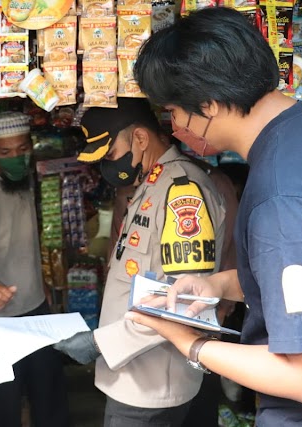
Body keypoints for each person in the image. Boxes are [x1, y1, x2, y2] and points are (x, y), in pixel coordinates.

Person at [126, 7, 302, 427]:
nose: (174, 127)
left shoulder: (284, 195)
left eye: (172, 112)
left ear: (208, 104)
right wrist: (216, 284)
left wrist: (190, 343)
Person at [54, 98, 229, 426]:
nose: (109, 164)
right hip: (134, 375)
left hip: (151, 384)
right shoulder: (153, 183)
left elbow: (184, 300)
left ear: (140, 138)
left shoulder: (181, 190)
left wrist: (99, 342)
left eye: (110, 153)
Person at [0, 111, 70, 427]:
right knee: (5, 399)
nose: (15, 158)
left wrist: (43, 287)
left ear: (30, 145)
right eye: (5, 153)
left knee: (49, 391)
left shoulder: (25, 179)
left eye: (22, 149)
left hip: (35, 308)